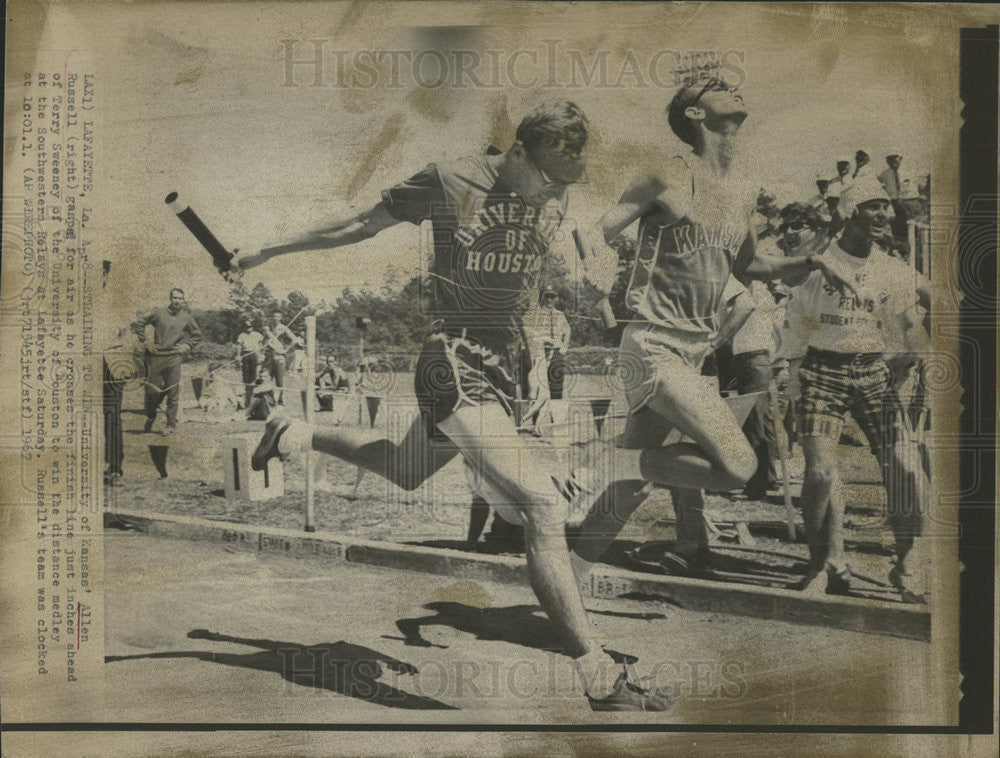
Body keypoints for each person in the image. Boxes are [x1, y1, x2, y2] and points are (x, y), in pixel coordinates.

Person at [233, 101, 671, 711]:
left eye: (563, 179)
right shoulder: (448, 178)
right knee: (542, 504)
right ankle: (597, 673)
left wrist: (536, 386)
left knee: (405, 471)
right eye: (545, 175)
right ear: (517, 152)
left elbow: (525, 294)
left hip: (510, 366)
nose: (552, 189)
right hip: (453, 359)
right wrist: (267, 250)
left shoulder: (555, 192)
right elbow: (356, 225)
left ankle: (294, 433)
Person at [570, 73, 859, 580]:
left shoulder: (742, 191)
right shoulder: (666, 173)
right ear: (694, 114)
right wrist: (597, 274)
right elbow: (594, 232)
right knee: (735, 467)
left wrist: (814, 261)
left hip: (692, 352)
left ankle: (567, 574)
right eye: (715, 86)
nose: (734, 87)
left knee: (635, 484)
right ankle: (605, 460)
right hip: (653, 343)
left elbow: (749, 267)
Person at [781, 174, 930, 602]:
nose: (883, 214)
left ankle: (905, 566)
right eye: (872, 206)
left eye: (886, 206)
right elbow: (797, 317)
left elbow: (905, 330)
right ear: (850, 213)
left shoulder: (892, 269)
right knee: (820, 472)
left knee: (905, 469)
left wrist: (907, 369)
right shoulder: (819, 260)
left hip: (873, 372)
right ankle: (822, 565)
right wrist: (793, 376)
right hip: (821, 370)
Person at [134, 288, 202, 434]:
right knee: (151, 391)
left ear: (183, 300)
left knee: (173, 392)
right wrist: (146, 342)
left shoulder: (187, 317)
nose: (177, 301)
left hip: (174, 357)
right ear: (170, 299)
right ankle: (151, 416)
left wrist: (186, 345)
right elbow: (139, 323)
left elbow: (197, 335)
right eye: (175, 298)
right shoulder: (158, 313)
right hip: (156, 356)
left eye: (180, 298)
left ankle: (170, 425)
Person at [522, 287, 572, 436]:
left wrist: (563, 348)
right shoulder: (536, 315)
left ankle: (553, 422)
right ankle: (532, 424)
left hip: (556, 354)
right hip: (540, 354)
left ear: (557, 299)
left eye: (553, 297)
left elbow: (567, 331)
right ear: (542, 298)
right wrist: (542, 340)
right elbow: (528, 332)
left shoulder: (560, 315)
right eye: (547, 296)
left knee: (556, 388)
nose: (550, 300)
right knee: (538, 389)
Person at [262, 314, 302, 405]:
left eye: (277, 316)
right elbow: (263, 341)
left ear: (280, 318)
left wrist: (285, 350)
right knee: (267, 379)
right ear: (271, 318)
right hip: (269, 357)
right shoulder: (268, 329)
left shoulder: (283, 328)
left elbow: (295, 340)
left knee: (279, 380)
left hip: (279, 357)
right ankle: (270, 400)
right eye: (273, 316)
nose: (275, 318)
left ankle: (280, 400)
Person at [235, 318, 263, 409]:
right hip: (246, 355)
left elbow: (261, 345)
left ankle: (253, 400)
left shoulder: (257, 335)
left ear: (252, 327)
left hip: (254, 355)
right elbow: (239, 346)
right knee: (246, 379)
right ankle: (247, 400)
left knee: (254, 378)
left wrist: (260, 356)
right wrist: (238, 356)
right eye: (246, 327)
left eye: (250, 327)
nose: (248, 329)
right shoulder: (242, 335)